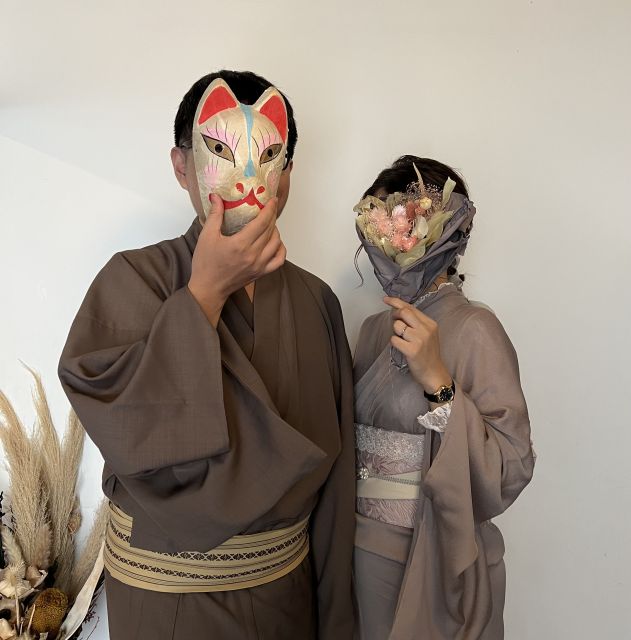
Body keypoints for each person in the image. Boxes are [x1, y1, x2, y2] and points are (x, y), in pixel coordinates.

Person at [58, 70, 355, 640]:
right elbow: (129, 428)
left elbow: (339, 485)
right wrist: (205, 295)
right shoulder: (132, 280)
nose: (248, 179)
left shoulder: (317, 301)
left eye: (269, 158)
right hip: (166, 607)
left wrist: (337, 613)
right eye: (220, 153)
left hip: (286, 600)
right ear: (181, 166)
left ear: (288, 175)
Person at [352, 155, 535, 639]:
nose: (393, 241)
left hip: (433, 552)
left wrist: (438, 380)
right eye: (381, 225)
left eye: (405, 225)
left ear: (443, 233)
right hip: (364, 550)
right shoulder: (371, 330)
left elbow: (512, 466)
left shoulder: (476, 328)